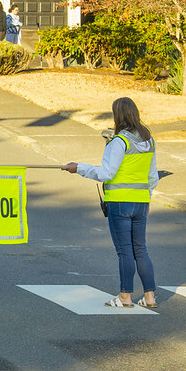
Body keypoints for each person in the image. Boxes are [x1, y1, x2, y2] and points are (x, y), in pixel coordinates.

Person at [61, 97, 158, 308]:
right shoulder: (149, 141)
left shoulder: (119, 142)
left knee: (125, 251)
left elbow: (107, 173)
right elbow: (153, 177)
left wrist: (79, 168)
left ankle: (125, 296)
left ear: (118, 116)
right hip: (141, 202)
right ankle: (150, 297)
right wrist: (147, 198)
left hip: (119, 203)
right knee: (140, 249)